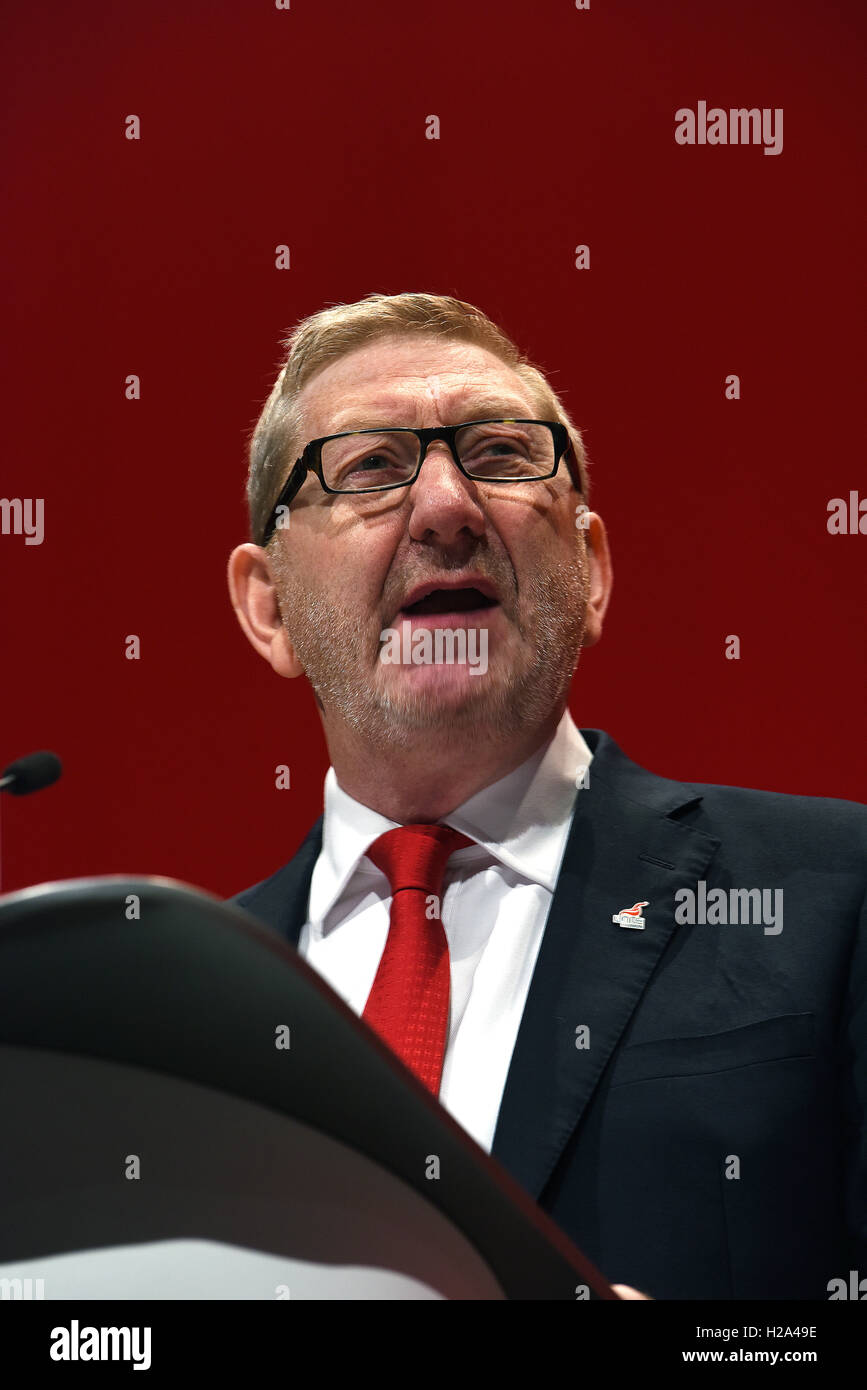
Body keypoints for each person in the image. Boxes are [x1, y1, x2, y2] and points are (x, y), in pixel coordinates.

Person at [226, 291, 865, 1301]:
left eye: (503, 454)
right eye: (372, 467)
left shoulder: (835, 894)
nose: (446, 506)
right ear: (270, 609)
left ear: (592, 570)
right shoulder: (179, 1007)